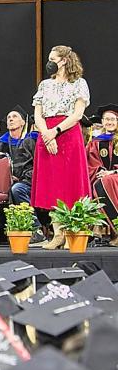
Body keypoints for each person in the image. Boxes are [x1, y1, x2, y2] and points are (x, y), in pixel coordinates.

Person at [31, 45, 91, 249]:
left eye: (52, 58)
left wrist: (55, 132)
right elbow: (38, 114)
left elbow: (76, 114)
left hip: (67, 134)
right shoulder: (45, 85)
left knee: (70, 182)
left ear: (64, 60)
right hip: (46, 134)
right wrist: (46, 134)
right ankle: (57, 234)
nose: (49, 62)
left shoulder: (79, 84)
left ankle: (72, 232)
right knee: (52, 184)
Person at [0, 105, 45, 244]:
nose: (10, 119)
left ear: (23, 122)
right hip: (4, 182)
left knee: (17, 189)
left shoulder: (31, 140)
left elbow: (37, 166)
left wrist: (20, 179)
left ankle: (36, 230)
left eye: (14, 116)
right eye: (9, 117)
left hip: (29, 181)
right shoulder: (0, 143)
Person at [86, 103, 118, 247]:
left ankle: (112, 231)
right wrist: (100, 172)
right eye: (106, 119)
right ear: (102, 122)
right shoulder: (96, 142)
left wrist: (112, 172)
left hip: (115, 176)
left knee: (104, 182)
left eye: (113, 119)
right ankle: (97, 228)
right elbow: (90, 164)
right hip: (102, 177)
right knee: (98, 182)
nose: (109, 122)